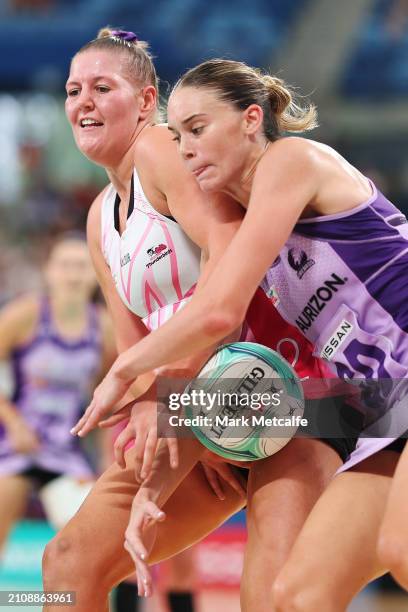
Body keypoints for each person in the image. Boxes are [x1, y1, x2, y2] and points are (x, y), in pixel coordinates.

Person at [81, 58, 408, 610]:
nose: (184, 148)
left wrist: (126, 368)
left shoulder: (293, 160)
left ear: (251, 119)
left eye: (198, 129)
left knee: (400, 546)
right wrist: (155, 489)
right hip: (381, 403)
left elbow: (216, 312)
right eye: (177, 134)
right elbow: (251, 390)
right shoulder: (246, 221)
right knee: (298, 597)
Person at [0, 232, 115, 550]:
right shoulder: (24, 315)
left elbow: (108, 395)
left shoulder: (105, 328)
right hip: (13, 445)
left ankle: (65, 600)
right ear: (49, 271)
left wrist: (106, 458)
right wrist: (13, 422)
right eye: (64, 265)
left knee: (85, 545)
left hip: (65, 450)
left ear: (95, 273)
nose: (72, 274)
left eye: (81, 266)